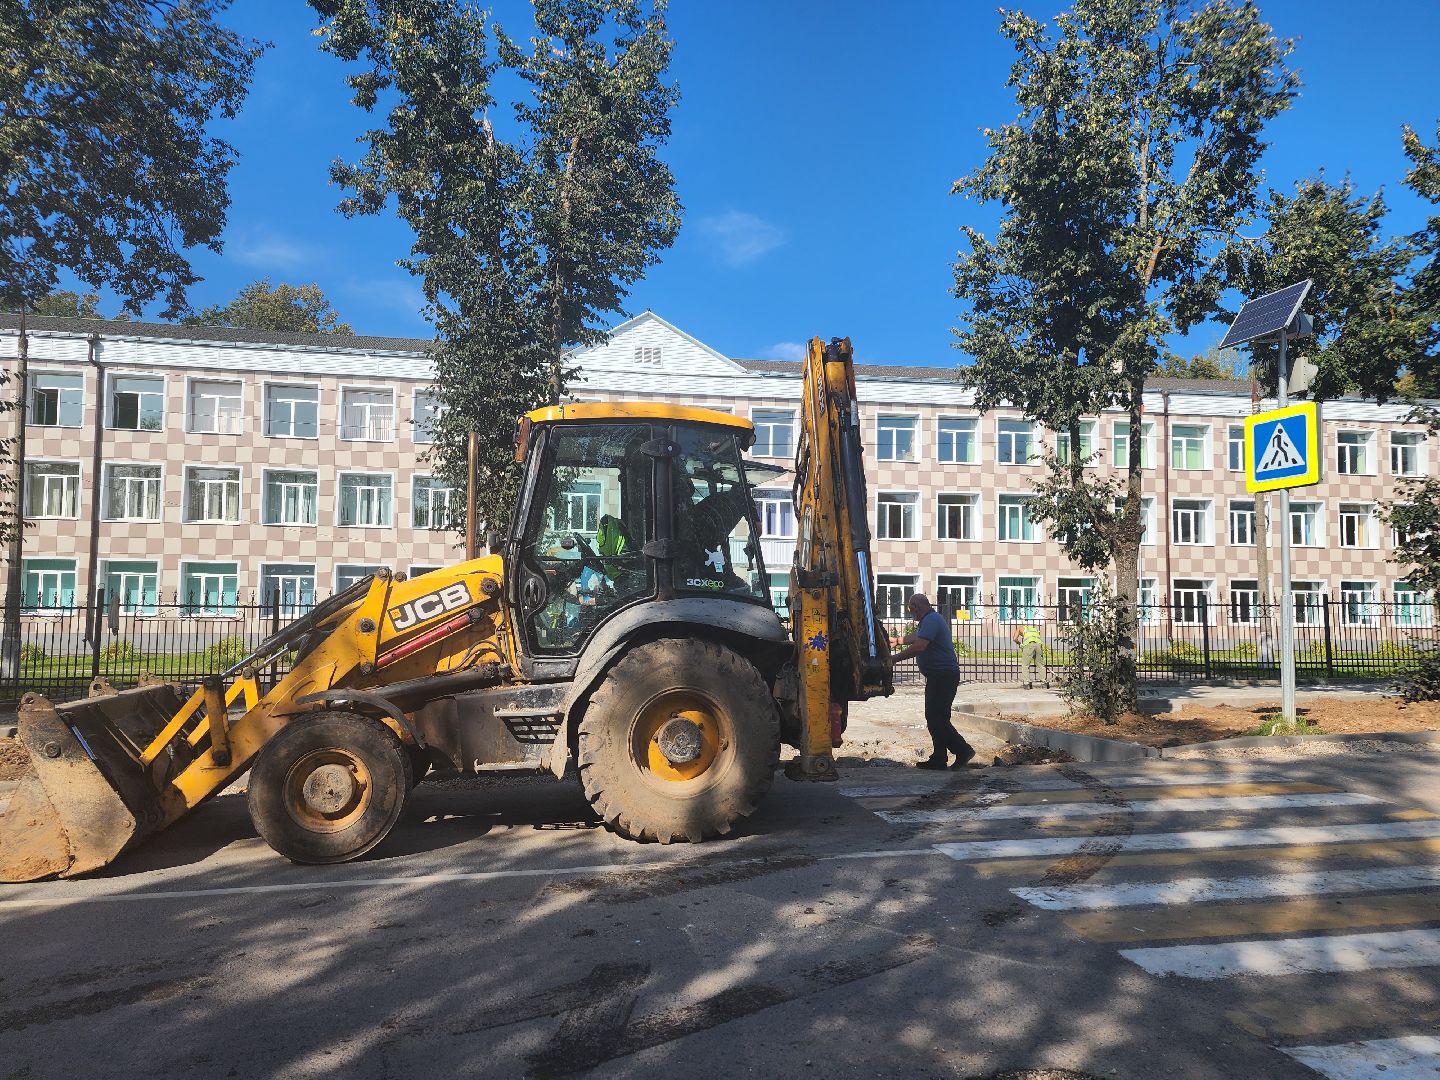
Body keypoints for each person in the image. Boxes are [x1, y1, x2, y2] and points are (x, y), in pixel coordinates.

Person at [890, 592, 975, 769]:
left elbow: (920, 646)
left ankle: (963, 750)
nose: (911, 613)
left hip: (943, 675)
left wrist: (893, 659)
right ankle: (939, 758)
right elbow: (916, 637)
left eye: (911, 609)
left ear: (917, 607)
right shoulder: (928, 621)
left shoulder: (932, 619)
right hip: (939, 675)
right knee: (936, 717)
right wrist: (897, 640)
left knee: (936, 718)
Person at [1012, 623, 1047, 688]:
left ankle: (1026, 683)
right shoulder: (1034, 629)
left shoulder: (1020, 628)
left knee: (1025, 665)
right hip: (1039, 645)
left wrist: (1019, 643)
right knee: (1040, 665)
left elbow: (1014, 638)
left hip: (1029, 645)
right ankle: (1044, 683)